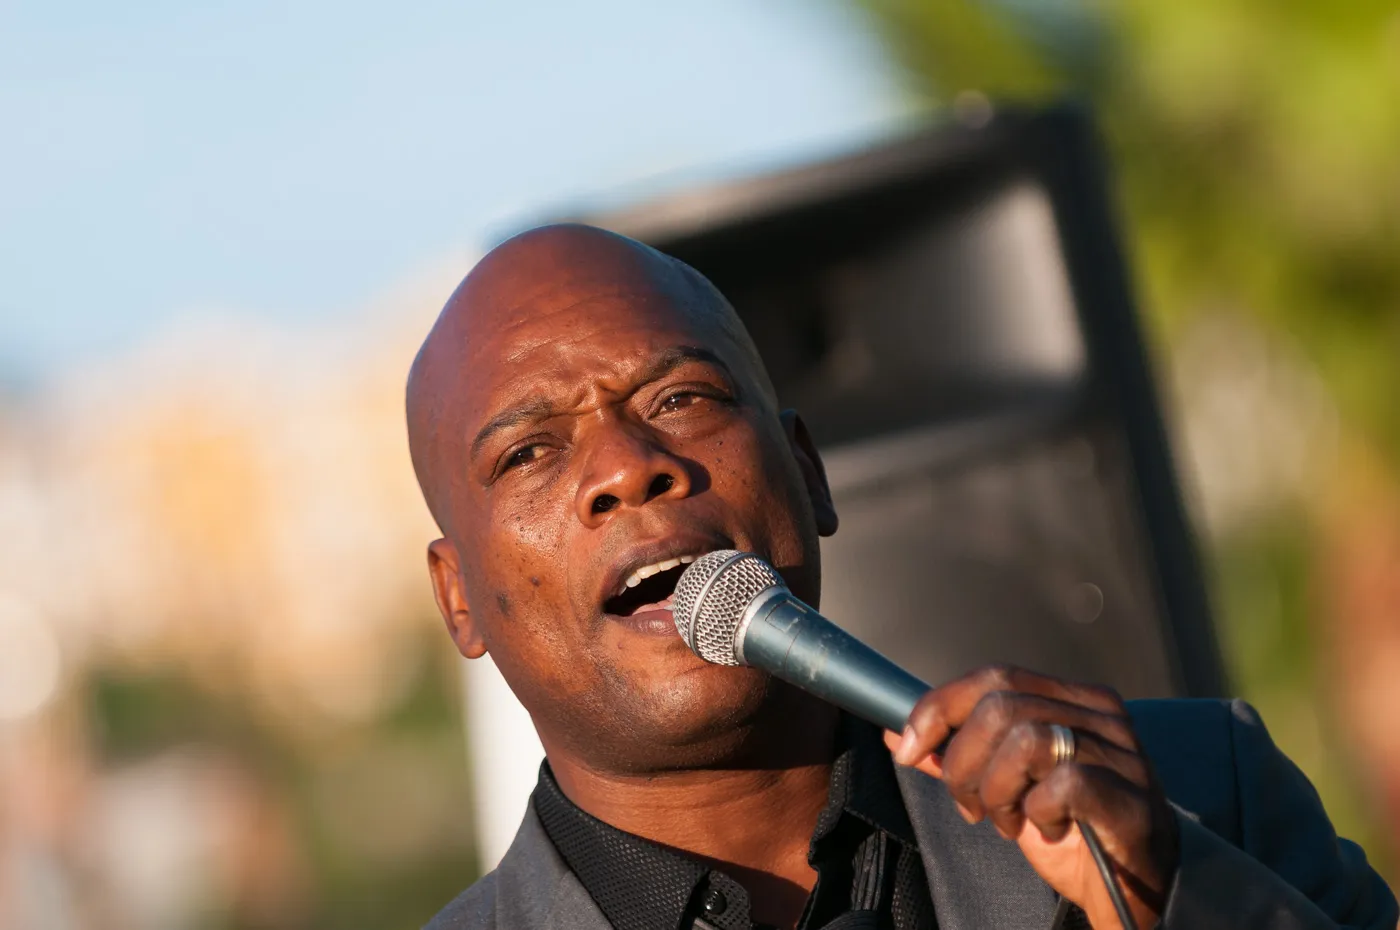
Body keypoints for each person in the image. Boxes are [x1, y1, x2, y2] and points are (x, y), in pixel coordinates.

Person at [406, 223, 1396, 930]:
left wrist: (1168, 898)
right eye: (529, 452)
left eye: (680, 397)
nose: (627, 466)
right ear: (459, 598)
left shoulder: (1197, 795)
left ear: (806, 472)